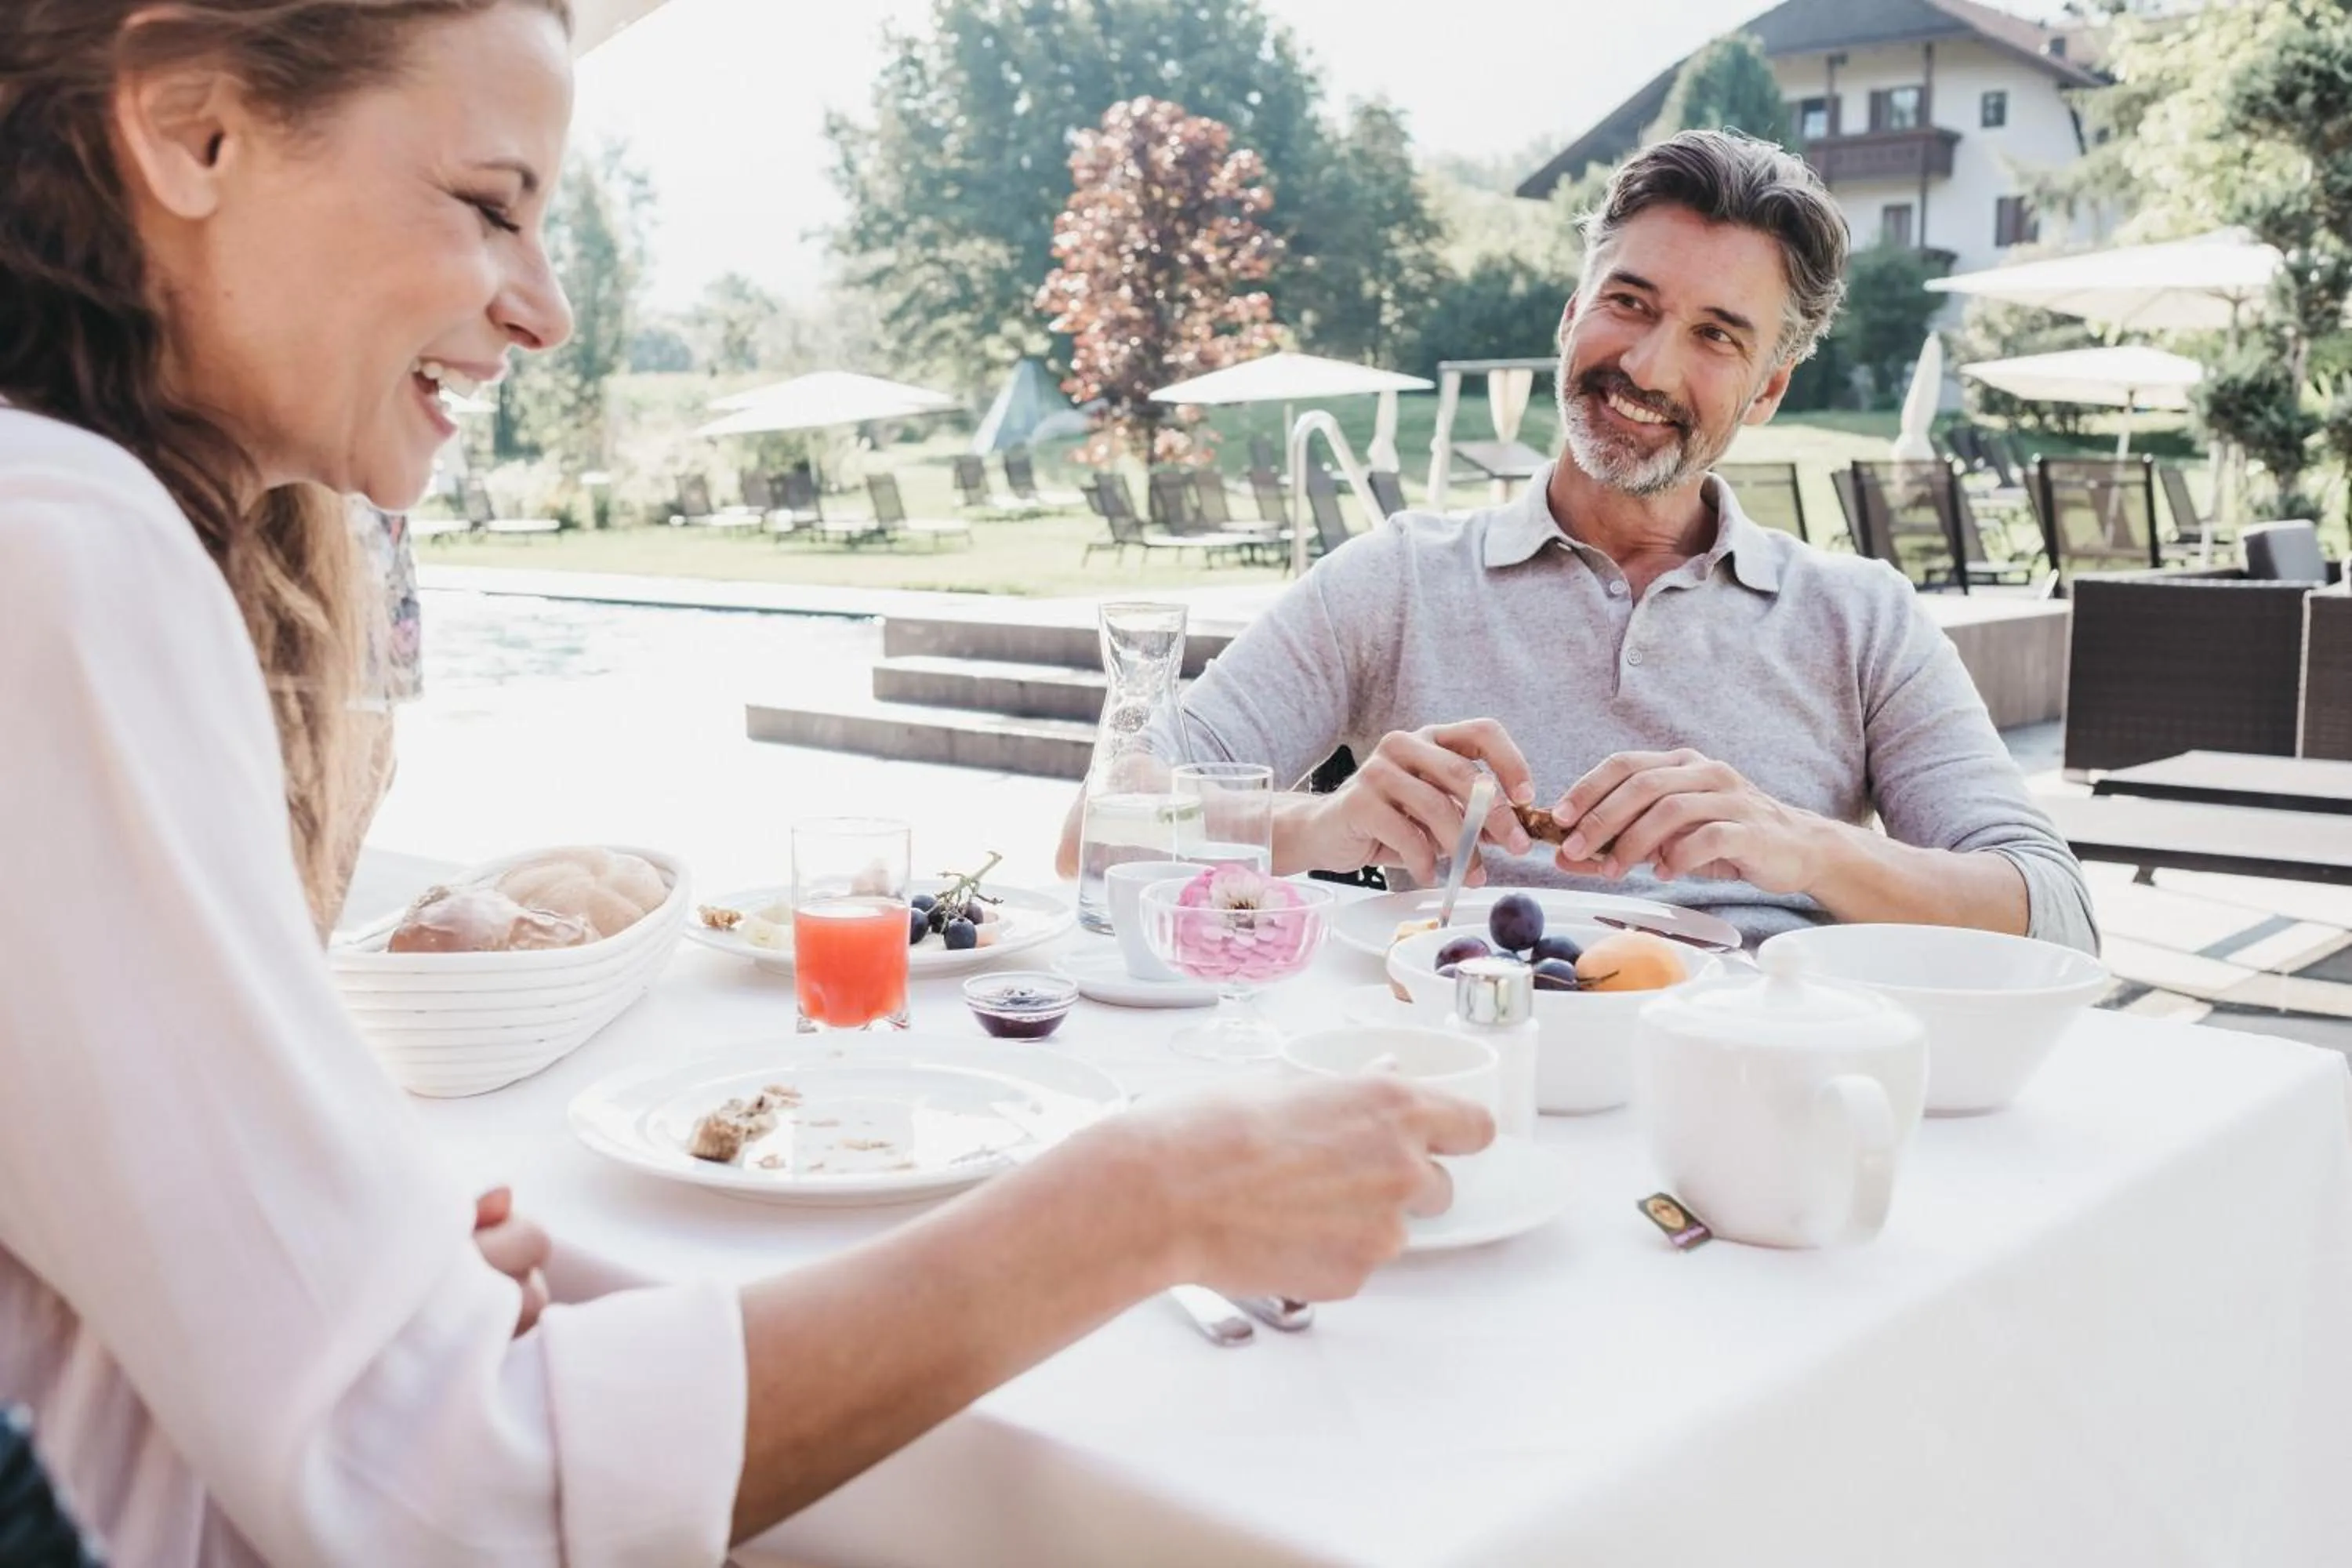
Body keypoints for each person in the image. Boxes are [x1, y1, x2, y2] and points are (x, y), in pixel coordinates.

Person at [0, 5, 1491, 1563]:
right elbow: (456, 1497)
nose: (550, 312)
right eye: (491, 203)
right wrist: (1146, 1198)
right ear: (191, 128)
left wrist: (376, 1282)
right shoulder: (66, 558)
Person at [1060, 131, 2097, 956]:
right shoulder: (1402, 578)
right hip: (1466, 1078)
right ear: (1572, 314)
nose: (1646, 365)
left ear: (1770, 389)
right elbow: (1098, 836)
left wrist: (1802, 848)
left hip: (1750, 1097)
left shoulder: (1861, 617)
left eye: (1716, 336)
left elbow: (2055, 914)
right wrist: (1321, 831)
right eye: (1629, 303)